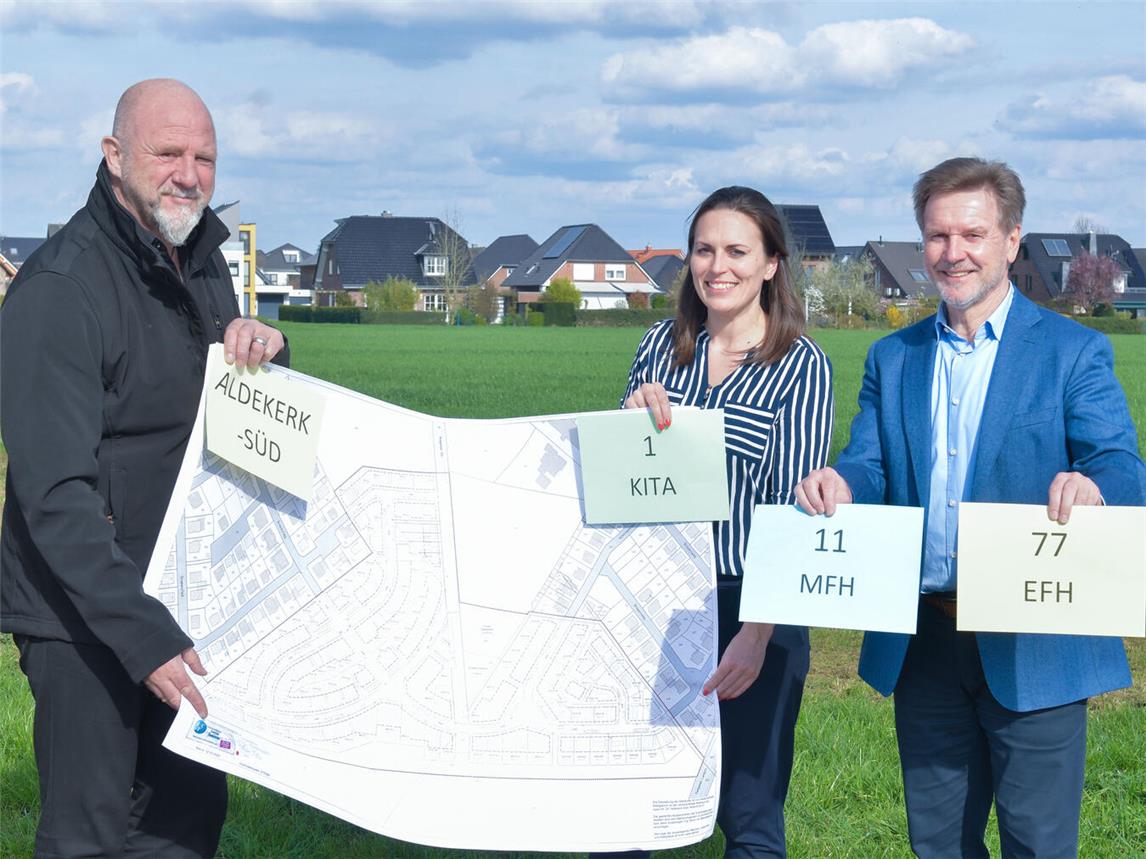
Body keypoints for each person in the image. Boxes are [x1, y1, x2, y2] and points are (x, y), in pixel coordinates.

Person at [795, 157, 1145, 858]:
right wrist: (842, 482)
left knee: (1037, 843)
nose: (952, 252)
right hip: (925, 640)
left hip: (1034, 634)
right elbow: (871, 460)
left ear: (1013, 239)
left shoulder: (1074, 351)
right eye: (936, 235)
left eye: (972, 233)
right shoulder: (893, 356)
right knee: (939, 844)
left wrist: (1094, 485)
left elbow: (1120, 463)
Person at [1, 78, 288, 858]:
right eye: (167, 152)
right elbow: (54, 496)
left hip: (185, 596)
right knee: (90, 832)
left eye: (205, 157)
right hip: (82, 616)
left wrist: (268, 350)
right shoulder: (62, 289)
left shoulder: (200, 261)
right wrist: (142, 635)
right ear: (115, 155)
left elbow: (215, 405)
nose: (188, 173)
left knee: (185, 822)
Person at [597, 186, 833, 858]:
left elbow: (794, 514)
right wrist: (629, 415)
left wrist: (756, 636)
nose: (717, 265)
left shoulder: (800, 366)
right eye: (704, 249)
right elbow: (621, 485)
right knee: (627, 801)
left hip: (750, 603)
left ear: (770, 265)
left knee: (749, 811)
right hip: (653, 602)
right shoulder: (658, 348)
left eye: (737, 250)